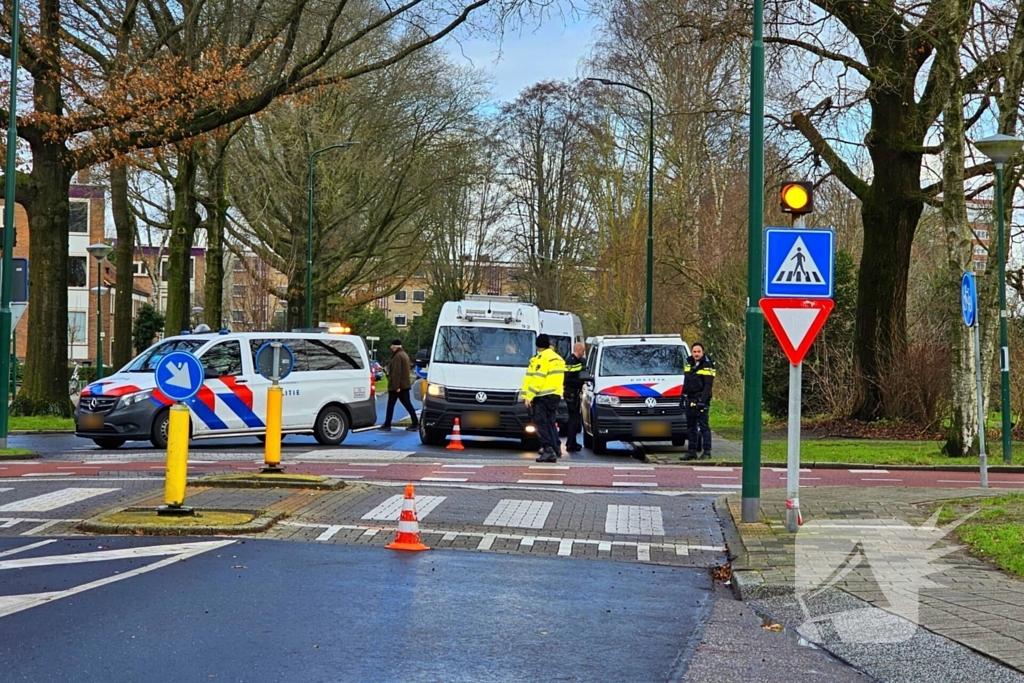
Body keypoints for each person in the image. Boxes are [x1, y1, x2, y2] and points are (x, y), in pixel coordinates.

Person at [521, 333, 566, 463]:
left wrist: (528, 396)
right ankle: (555, 446)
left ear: (537, 346)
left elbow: (537, 379)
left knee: (541, 423)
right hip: (555, 395)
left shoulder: (541, 359)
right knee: (551, 421)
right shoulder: (558, 359)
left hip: (542, 396)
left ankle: (548, 449)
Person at [680, 342, 715, 461]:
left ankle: (707, 451)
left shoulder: (707, 365)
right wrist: (683, 396)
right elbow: (686, 382)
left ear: (702, 352)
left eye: (698, 352)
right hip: (690, 398)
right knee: (691, 427)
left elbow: (708, 385)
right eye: (694, 352)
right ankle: (692, 452)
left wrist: (703, 401)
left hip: (701, 399)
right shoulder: (689, 363)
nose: (696, 354)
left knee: (704, 426)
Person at [380, 339, 420, 432]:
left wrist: (396, 386)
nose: (391, 348)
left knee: (391, 405)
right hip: (404, 385)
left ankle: (387, 424)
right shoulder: (404, 355)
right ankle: (415, 423)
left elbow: (397, 372)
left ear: (395, 347)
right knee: (407, 404)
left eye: (392, 346)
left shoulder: (398, 356)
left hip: (397, 387)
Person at [563, 342, 586, 452]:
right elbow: (567, 379)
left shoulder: (577, 361)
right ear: (579, 350)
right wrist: (581, 381)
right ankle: (570, 443)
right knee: (574, 419)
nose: (583, 352)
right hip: (571, 394)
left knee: (575, 419)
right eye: (583, 350)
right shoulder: (570, 362)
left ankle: (571, 442)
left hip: (574, 393)